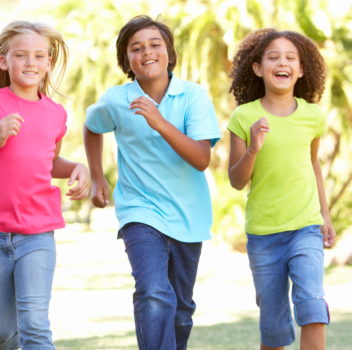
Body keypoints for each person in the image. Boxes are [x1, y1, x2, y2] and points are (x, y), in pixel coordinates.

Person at [84, 15, 221, 350]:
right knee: (153, 293)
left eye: (155, 44)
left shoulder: (193, 96)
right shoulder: (117, 99)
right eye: (136, 47)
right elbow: (91, 126)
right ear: (126, 59)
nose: (147, 52)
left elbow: (202, 159)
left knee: (181, 310)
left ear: (169, 52)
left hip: (189, 216)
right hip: (139, 212)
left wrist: (159, 122)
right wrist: (97, 176)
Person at [0, 20, 90, 350]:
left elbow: (50, 162)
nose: (31, 62)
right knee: (3, 332)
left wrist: (79, 167)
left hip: (37, 234)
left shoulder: (56, 114)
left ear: (47, 63)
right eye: (21, 55)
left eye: (39, 56)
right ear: (4, 61)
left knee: (34, 324)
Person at [227, 28, 334, 350]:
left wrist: (325, 217)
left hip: (305, 228)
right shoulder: (243, 117)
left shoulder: (313, 116)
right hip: (263, 235)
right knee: (273, 325)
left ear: (301, 70)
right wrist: (253, 149)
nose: (281, 62)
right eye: (272, 57)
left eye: (290, 58)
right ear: (258, 68)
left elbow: (314, 166)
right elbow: (236, 180)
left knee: (313, 307)